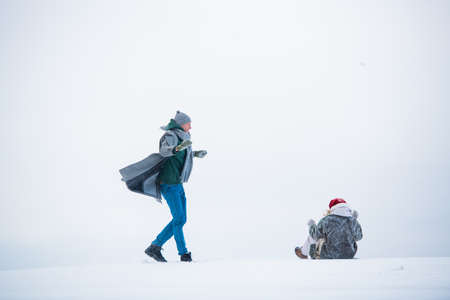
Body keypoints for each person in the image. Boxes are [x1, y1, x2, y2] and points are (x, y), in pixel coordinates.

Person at [119, 111, 207, 262]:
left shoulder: (184, 137)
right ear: (181, 124)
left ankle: (155, 247)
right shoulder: (170, 136)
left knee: (181, 219)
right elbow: (165, 151)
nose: (190, 127)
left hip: (177, 183)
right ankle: (183, 254)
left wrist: (195, 153)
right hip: (168, 183)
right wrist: (177, 148)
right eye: (188, 124)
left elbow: (181, 156)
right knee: (179, 219)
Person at [295, 198, 363, 259]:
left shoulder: (326, 220)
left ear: (333, 208)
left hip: (328, 255)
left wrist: (311, 225)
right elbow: (358, 237)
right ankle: (303, 251)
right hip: (349, 255)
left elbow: (316, 235)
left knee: (312, 235)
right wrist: (354, 221)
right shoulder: (353, 221)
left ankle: (303, 253)